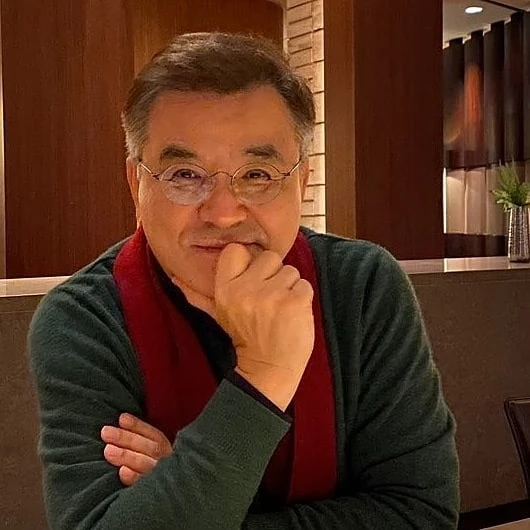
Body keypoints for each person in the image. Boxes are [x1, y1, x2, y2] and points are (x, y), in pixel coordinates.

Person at [28, 32, 459, 529]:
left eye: (257, 174)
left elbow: (422, 514)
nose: (224, 212)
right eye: (185, 174)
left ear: (301, 182)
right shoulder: (84, 320)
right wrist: (264, 374)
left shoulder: (362, 287)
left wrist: (186, 497)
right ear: (136, 183)